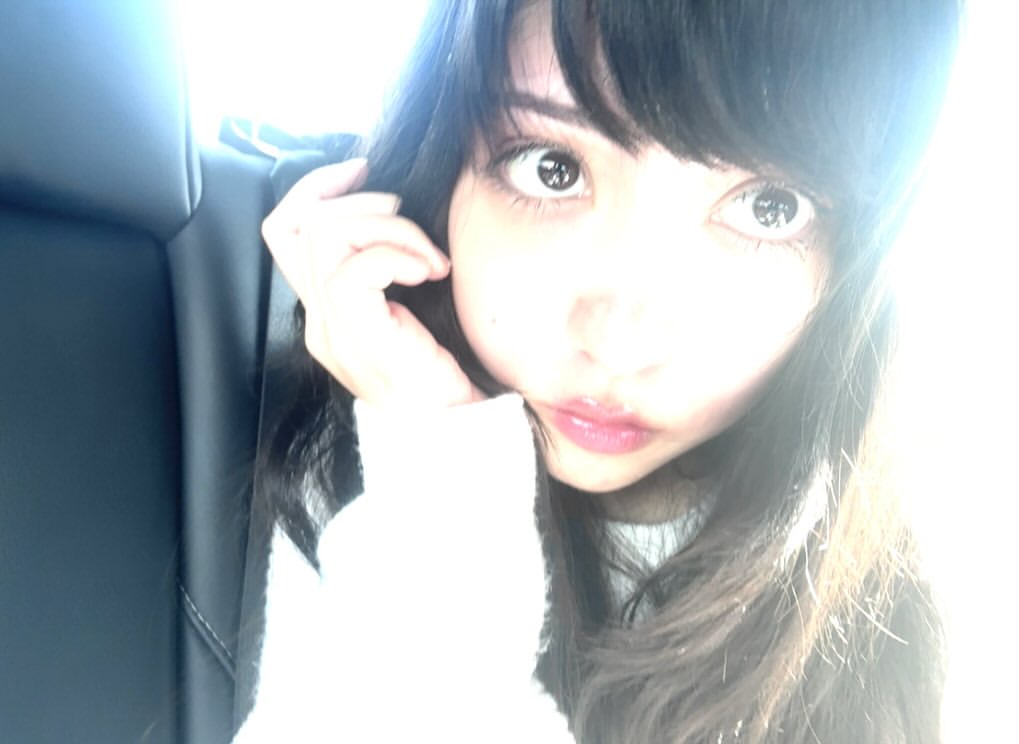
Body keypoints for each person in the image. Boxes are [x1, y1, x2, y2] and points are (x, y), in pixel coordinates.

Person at [233, 0, 961, 742]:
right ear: (443, 166)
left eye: (768, 208)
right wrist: (442, 481)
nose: (619, 345)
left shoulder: (919, 571)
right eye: (551, 168)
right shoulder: (375, 466)